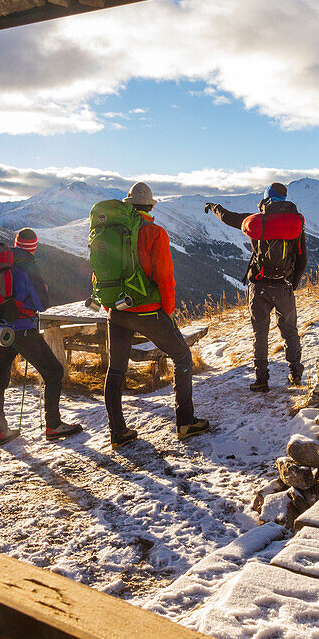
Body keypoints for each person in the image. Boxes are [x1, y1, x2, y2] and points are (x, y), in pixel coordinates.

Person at [101, 182, 210, 447]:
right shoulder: (154, 232)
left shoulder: (109, 232)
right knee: (183, 356)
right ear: (150, 207)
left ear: (128, 206)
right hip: (148, 311)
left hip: (116, 309)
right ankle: (185, 422)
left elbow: (99, 273)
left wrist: (110, 306)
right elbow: (165, 276)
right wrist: (169, 311)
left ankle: (118, 433)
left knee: (115, 369)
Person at [205, 182, 306, 392]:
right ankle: (295, 373)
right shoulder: (294, 223)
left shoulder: (257, 221)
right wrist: (291, 283)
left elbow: (229, 218)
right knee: (289, 330)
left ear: (266, 198)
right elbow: (302, 259)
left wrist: (215, 207)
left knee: (260, 333)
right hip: (283, 286)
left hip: (259, 286)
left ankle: (261, 379)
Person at [0, 228, 82, 445]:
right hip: (24, 330)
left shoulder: (1, 262)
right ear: (34, 247)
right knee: (54, 371)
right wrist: (42, 289)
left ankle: (0, 431)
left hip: (3, 329)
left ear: (15, 242)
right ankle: (53, 424)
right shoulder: (28, 267)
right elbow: (42, 304)